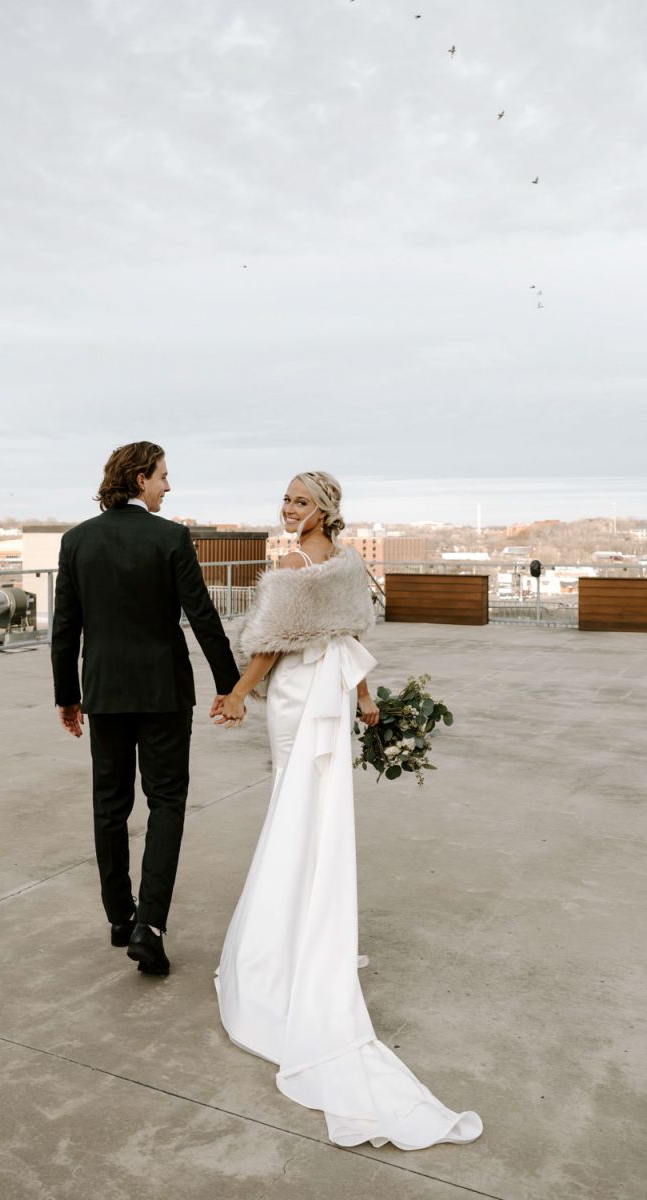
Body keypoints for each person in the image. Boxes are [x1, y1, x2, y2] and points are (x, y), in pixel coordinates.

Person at [212, 471, 483, 1150]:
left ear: (325, 509)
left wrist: (239, 694)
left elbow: (271, 645)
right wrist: (364, 701)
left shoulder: (292, 566)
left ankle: (290, 933)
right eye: (285, 499)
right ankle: (312, 918)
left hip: (304, 695)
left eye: (300, 501)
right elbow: (349, 634)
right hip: (329, 696)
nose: (288, 508)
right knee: (315, 811)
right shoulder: (348, 564)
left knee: (292, 808)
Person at [51, 441, 240, 977]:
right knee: (167, 803)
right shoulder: (171, 537)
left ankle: (118, 917)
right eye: (162, 476)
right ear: (139, 480)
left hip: (105, 693)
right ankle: (149, 927)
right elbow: (203, 617)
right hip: (162, 694)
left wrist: (67, 695)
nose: (167, 485)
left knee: (109, 804)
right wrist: (230, 686)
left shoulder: (77, 541)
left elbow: (64, 630)